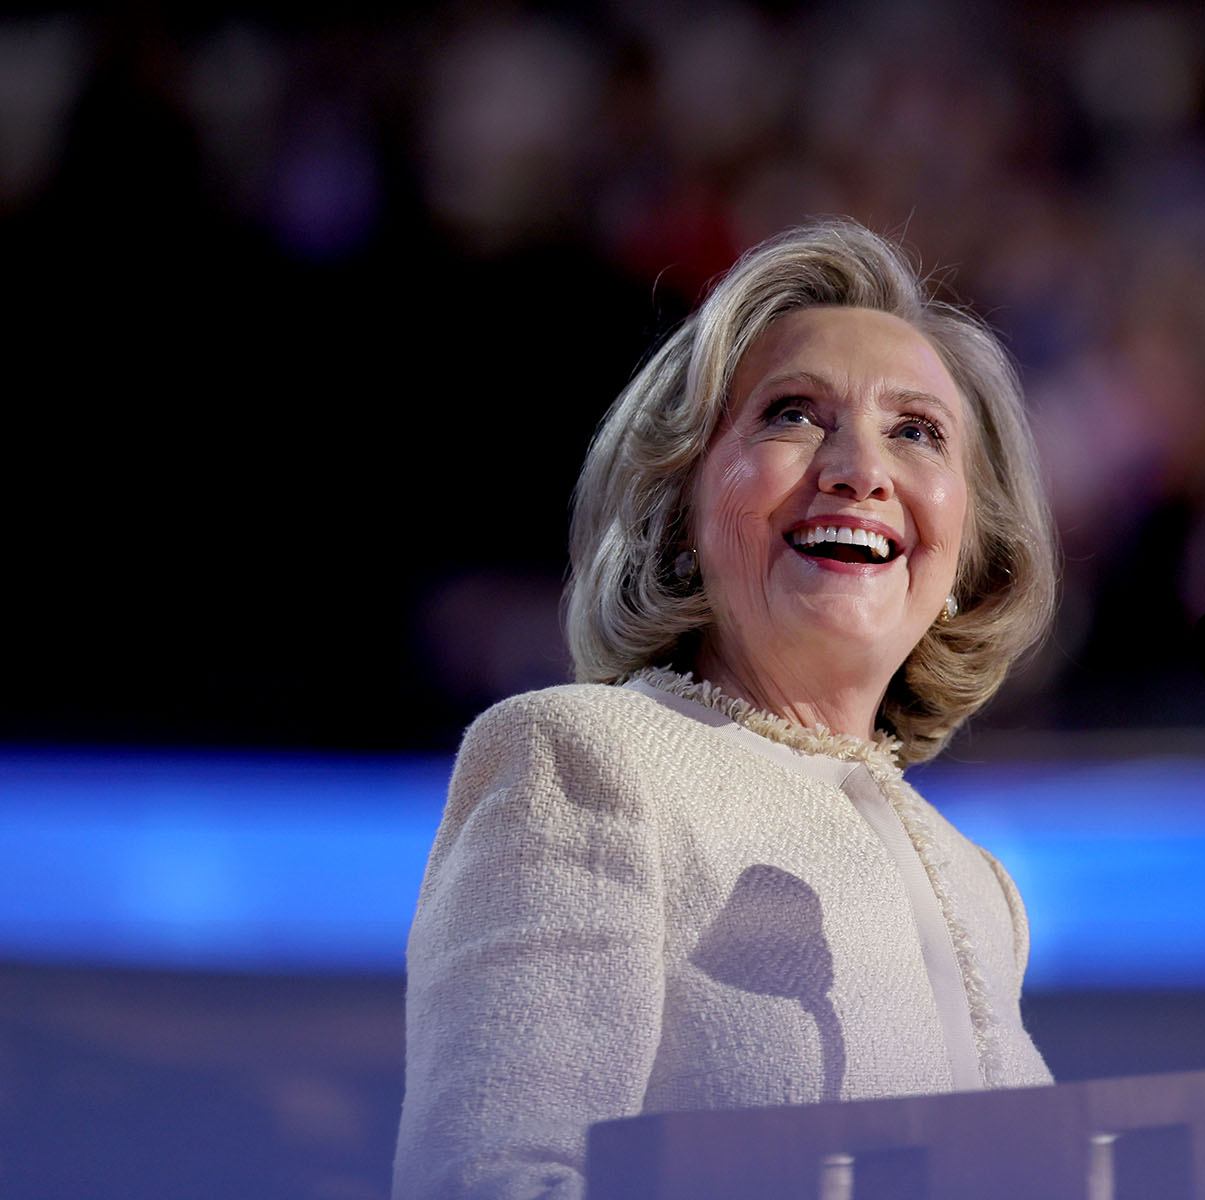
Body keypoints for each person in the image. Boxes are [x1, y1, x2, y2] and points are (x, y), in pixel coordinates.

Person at [392, 218, 1060, 1199]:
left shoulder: (978, 884)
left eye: (916, 432)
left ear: (965, 552)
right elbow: (488, 1183)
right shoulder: (582, 758)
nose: (860, 470)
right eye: (793, 414)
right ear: (680, 515)